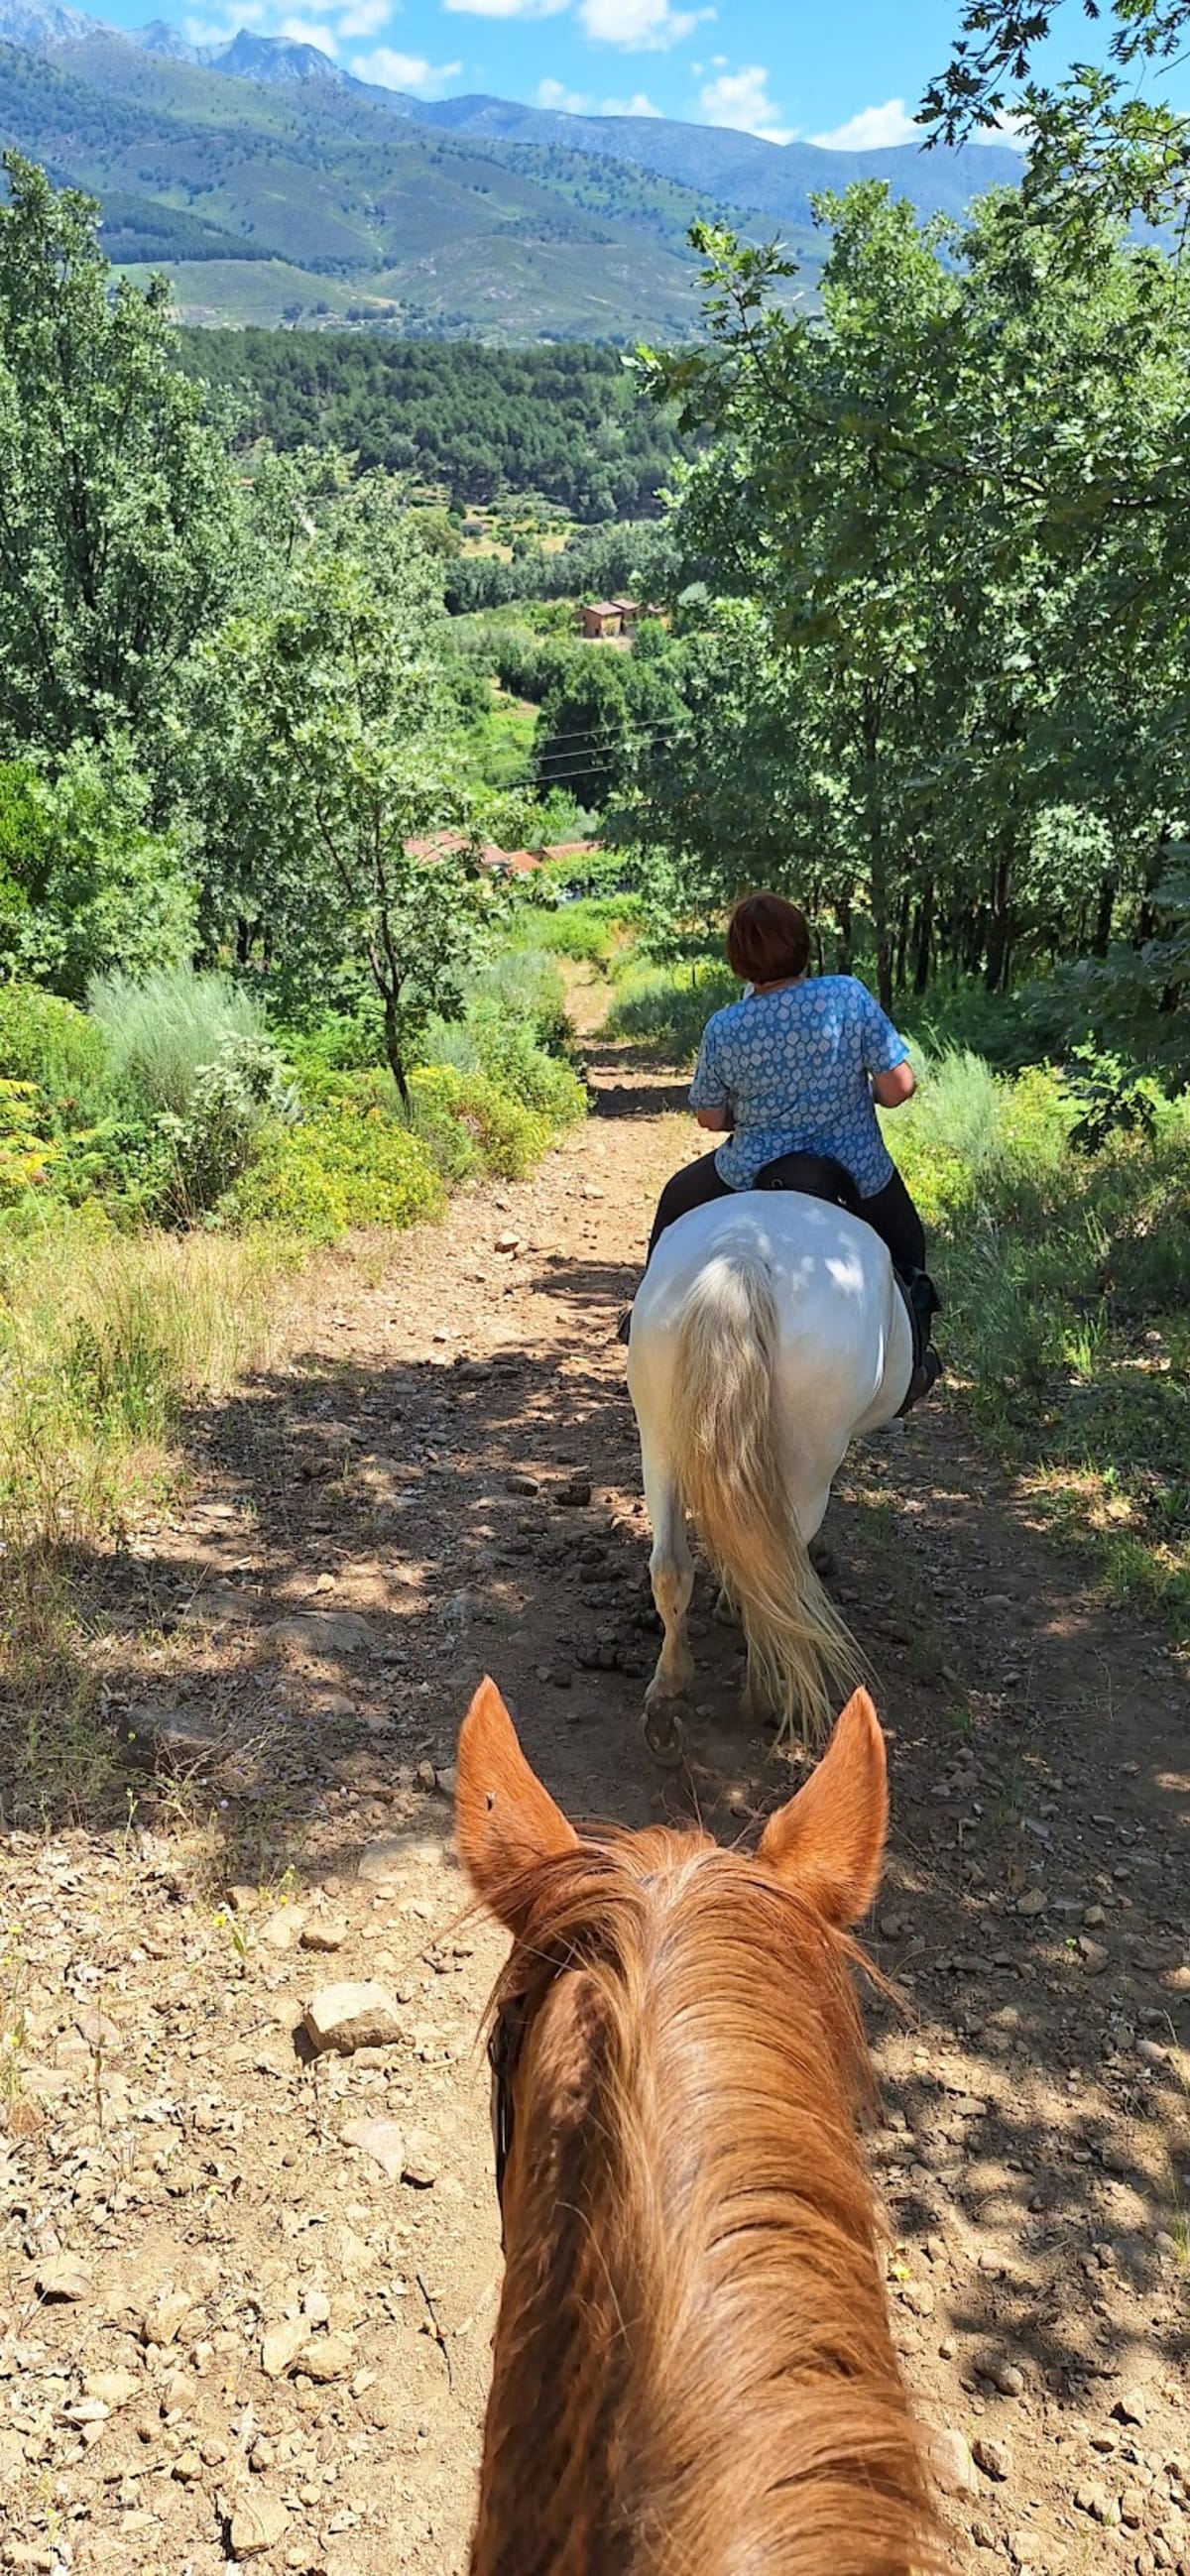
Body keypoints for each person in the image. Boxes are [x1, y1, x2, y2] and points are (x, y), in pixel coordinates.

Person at [618, 891, 941, 1406]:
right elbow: (900, 1087)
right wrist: (869, 1094)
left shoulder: (725, 1026)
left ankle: (644, 1317)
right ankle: (916, 1359)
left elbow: (709, 1117)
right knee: (908, 1246)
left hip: (754, 1167)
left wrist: (745, 1114)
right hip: (854, 1166)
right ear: (802, 945)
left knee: (675, 1197)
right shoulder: (847, 996)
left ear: (738, 959)